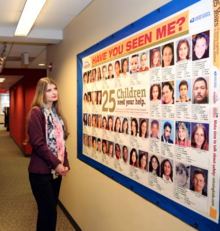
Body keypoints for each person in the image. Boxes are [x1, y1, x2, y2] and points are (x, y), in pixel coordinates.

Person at [27, 78, 70, 231]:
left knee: (46, 213)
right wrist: (57, 164)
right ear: (42, 93)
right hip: (40, 173)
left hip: (55, 172)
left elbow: (61, 143)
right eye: (49, 90)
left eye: (55, 89)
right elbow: (38, 144)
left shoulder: (57, 115)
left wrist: (64, 164)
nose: (53, 92)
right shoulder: (37, 112)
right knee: (49, 213)